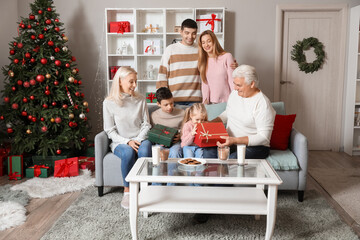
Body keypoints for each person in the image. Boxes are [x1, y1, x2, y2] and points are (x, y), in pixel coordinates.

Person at [157, 19, 238, 106]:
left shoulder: (201, 50)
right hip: (174, 99)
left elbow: (216, 63)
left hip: (195, 100)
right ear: (181, 32)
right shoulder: (170, 49)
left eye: (194, 33)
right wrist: (163, 99)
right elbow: (162, 74)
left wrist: (235, 67)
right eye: (187, 33)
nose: (190, 36)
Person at [103, 66, 152, 209]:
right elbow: (110, 130)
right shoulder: (109, 103)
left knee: (145, 150)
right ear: (120, 81)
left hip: (140, 138)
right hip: (121, 142)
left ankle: (145, 188)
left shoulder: (141, 99)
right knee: (128, 152)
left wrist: (137, 140)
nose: (135, 85)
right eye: (131, 82)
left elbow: (146, 124)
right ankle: (128, 191)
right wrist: (127, 142)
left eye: (135, 81)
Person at [216, 65, 276, 159]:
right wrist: (208, 123)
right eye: (234, 84)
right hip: (231, 142)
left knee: (232, 160)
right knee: (210, 153)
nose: (235, 88)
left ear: (252, 84)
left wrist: (235, 140)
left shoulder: (263, 104)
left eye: (238, 85)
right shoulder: (234, 94)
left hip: (255, 147)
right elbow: (228, 113)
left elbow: (263, 138)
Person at [198, 30, 235, 104]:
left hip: (228, 102)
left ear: (214, 42)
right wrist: (205, 103)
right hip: (212, 103)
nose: (206, 45)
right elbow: (205, 84)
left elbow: (232, 81)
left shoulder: (227, 57)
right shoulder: (203, 62)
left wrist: (236, 100)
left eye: (209, 41)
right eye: (203, 42)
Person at [150, 87, 185, 158]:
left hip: (176, 143)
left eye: (171, 103)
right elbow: (152, 132)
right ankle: (160, 169)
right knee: (158, 154)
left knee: (175, 153)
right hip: (160, 144)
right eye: (166, 105)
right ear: (158, 104)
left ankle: (173, 170)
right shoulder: (154, 115)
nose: (169, 107)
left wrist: (181, 135)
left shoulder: (182, 113)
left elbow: (186, 129)